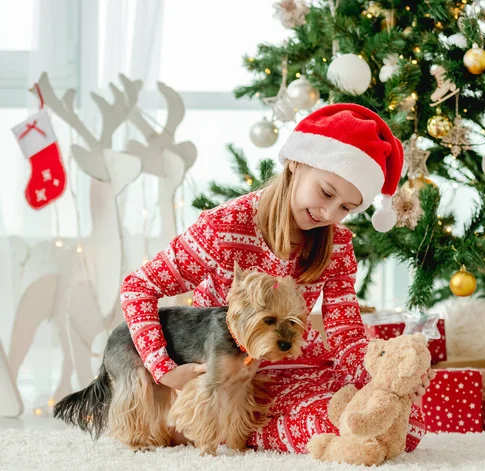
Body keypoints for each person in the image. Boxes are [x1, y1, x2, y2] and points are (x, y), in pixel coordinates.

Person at [120, 103, 435, 454]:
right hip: (226, 381)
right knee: (338, 422)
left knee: (403, 422)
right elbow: (138, 287)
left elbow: (345, 333)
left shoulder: (339, 245)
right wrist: (162, 369)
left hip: (298, 361)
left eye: (346, 208)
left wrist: (384, 378)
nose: (329, 214)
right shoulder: (223, 228)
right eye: (327, 192)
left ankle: (337, 424)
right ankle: (217, 426)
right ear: (297, 163)